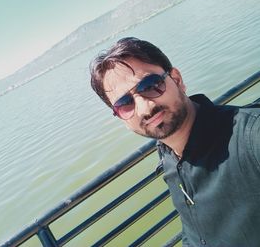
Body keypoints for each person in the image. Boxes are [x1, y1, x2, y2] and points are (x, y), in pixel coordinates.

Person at [89, 37, 260, 246]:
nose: (145, 108)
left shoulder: (250, 138)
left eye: (150, 85)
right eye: (125, 104)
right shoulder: (168, 156)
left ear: (177, 79)